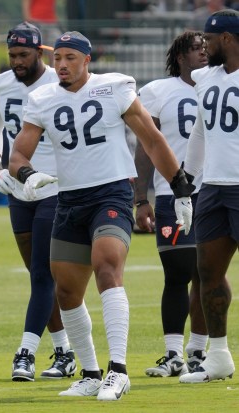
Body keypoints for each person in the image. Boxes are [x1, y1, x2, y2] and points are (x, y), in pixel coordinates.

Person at [9, 31, 195, 401]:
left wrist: (180, 188)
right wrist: (28, 177)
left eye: (70, 58)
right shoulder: (42, 98)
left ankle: (119, 370)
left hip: (110, 192)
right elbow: (18, 155)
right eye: (58, 57)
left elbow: (153, 140)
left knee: (107, 268)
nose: (62, 64)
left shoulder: (114, 87)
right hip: (69, 198)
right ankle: (92, 372)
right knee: (65, 290)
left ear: (87, 60)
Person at [0, 22, 76, 382]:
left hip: (53, 188)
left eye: (23, 55)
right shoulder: (3, 84)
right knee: (39, 277)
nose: (17, 61)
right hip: (19, 193)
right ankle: (65, 352)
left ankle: (25, 353)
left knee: (42, 274)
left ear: (40, 53)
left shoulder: (59, 80)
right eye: (12, 55)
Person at [134, 31, 210, 378]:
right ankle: (173, 353)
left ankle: (198, 352)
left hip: (214, 191)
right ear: (180, 56)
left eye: (205, 48)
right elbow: (146, 147)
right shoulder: (157, 91)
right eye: (196, 49)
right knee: (178, 274)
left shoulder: (224, 84)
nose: (203, 53)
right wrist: (140, 199)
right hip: (170, 193)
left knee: (207, 274)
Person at [179, 9, 239, 384]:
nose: (203, 45)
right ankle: (218, 356)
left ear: (228, 39)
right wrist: (185, 182)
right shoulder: (205, 79)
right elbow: (200, 132)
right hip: (214, 187)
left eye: (209, 39)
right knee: (207, 273)